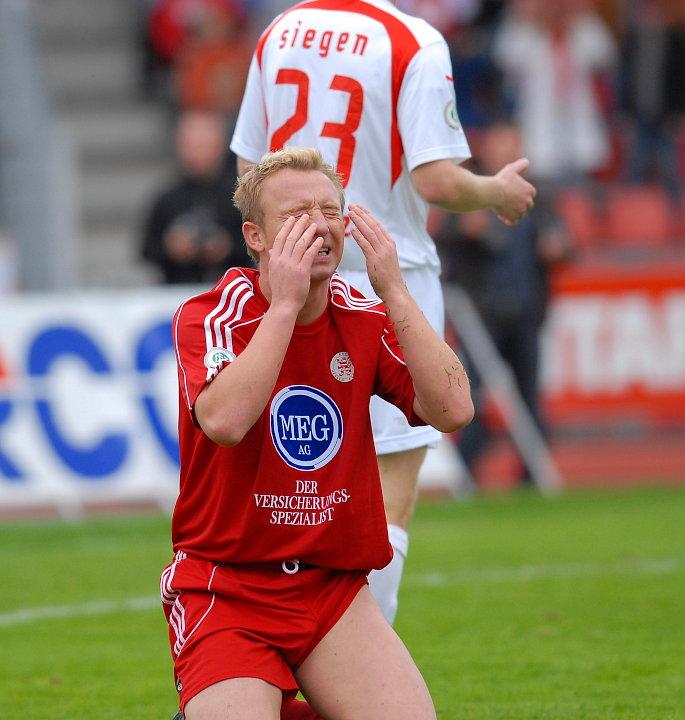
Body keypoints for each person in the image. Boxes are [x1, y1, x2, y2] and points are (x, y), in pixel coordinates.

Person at [229, 0, 535, 625]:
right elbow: (436, 180)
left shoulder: (279, 31)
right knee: (389, 493)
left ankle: (277, 644)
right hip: (382, 275)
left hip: (291, 279)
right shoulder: (410, 41)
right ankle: (358, 665)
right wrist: (496, 192)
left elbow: (248, 170)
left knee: (296, 482)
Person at [163, 147, 473, 720]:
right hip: (228, 586)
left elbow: (454, 408)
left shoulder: (362, 312)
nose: (319, 227)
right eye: (296, 215)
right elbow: (225, 423)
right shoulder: (213, 313)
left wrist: (395, 290)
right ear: (255, 237)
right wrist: (284, 306)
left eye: (331, 212)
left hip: (332, 590)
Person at [435, 123, 570, 486]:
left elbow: (564, 241)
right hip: (480, 316)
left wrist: (556, 245)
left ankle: (531, 476)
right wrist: (463, 231)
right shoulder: (469, 189)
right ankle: (467, 473)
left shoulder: (536, 193)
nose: (505, 152)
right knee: (471, 397)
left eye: (512, 145)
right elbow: (440, 238)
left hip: (525, 312)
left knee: (529, 396)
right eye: (499, 144)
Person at [141, 109, 252, 284]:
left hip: (232, 289)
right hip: (177, 289)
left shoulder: (241, 198)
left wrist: (227, 247)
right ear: (180, 147)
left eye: (204, 144)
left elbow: (259, 244)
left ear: (221, 146)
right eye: (192, 145)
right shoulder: (167, 199)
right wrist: (170, 247)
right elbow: (147, 250)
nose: (198, 152)